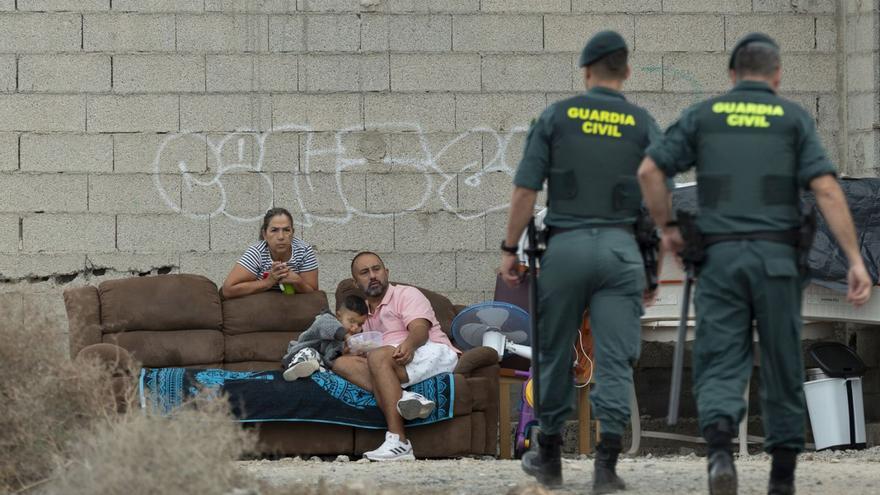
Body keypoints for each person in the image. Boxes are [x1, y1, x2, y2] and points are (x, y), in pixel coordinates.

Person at [637, 32, 873, 495]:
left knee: (721, 357)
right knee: (783, 361)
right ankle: (782, 474)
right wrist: (853, 259)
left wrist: (666, 227)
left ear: (731, 75)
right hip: (778, 261)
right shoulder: (791, 118)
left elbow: (649, 172)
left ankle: (722, 452)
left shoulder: (705, 116)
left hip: (721, 259)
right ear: (778, 75)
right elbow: (827, 190)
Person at [500, 30, 664, 492]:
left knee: (554, 353)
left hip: (566, 248)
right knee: (614, 359)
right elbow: (657, 194)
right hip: (621, 250)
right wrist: (652, 265)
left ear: (586, 70)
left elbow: (525, 190)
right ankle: (606, 466)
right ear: (627, 71)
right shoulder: (642, 122)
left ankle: (548, 455)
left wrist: (509, 249)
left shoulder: (556, 117)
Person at [331, 252, 460, 461]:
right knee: (339, 363)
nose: (373, 275)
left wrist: (408, 345)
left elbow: (420, 329)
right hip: (390, 360)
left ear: (386, 272)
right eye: (365, 272)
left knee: (377, 358)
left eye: (376, 269)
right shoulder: (362, 314)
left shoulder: (406, 294)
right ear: (356, 282)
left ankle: (399, 441)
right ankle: (403, 397)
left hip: (429, 349)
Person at [221, 207, 319, 299]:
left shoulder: (304, 251)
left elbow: (314, 293)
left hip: (293, 307)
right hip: (261, 307)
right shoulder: (257, 252)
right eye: (274, 230)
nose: (281, 236)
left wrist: (298, 282)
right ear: (265, 234)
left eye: (286, 230)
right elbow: (228, 290)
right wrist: (268, 282)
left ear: (292, 233)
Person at [281, 294, 369, 381]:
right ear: (338, 316)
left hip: (320, 363)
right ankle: (295, 368)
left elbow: (332, 359)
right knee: (310, 353)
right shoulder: (326, 319)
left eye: (360, 324)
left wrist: (349, 353)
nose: (355, 328)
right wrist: (346, 336)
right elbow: (326, 326)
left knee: (330, 371)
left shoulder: (350, 340)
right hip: (300, 352)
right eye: (351, 321)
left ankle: (312, 372)